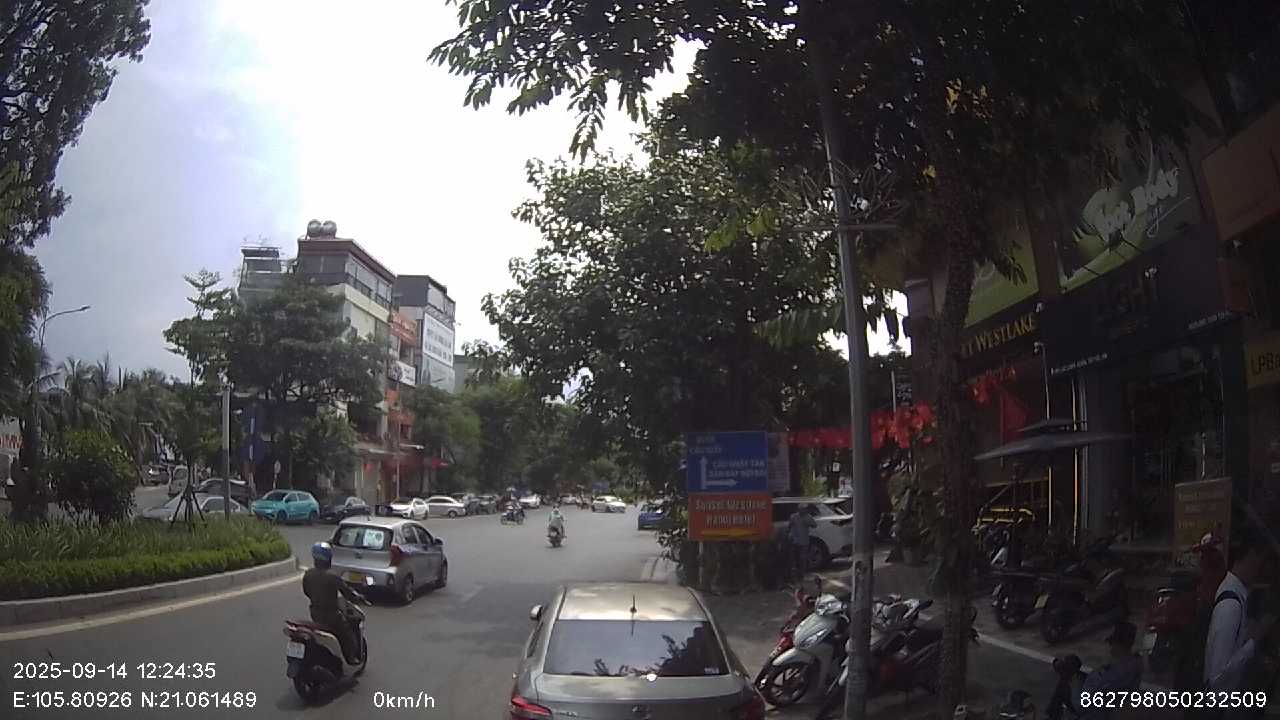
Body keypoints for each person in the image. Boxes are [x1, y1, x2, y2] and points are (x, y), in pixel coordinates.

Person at [1204, 541, 1270, 692]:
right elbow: (1217, 675)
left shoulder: (1236, 596)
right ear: (1251, 556)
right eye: (1261, 562)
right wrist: (1253, 640)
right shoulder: (1230, 604)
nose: (1261, 570)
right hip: (1221, 701)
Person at [1063, 621, 1143, 720]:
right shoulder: (1135, 665)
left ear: (1117, 644)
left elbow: (1082, 705)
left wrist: (1074, 685)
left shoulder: (1108, 675)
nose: (1109, 646)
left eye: (1111, 643)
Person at [303, 542, 363, 663]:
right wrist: (358, 597)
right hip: (331, 615)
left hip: (315, 613)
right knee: (347, 634)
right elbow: (347, 592)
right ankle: (351, 658)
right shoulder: (332, 576)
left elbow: (306, 591)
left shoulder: (308, 574)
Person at [786, 504, 818, 583]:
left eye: (804, 509)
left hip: (804, 541)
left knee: (802, 559)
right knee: (793, 559)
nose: (803, 510)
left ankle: (801, 575)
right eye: (802, 509)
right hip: (794, 541)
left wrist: (808, 522)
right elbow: (789, 526)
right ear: (798, 509)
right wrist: (788, 534)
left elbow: (815, 525)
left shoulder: (808, 517)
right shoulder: (793, 516)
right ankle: (793, 576)